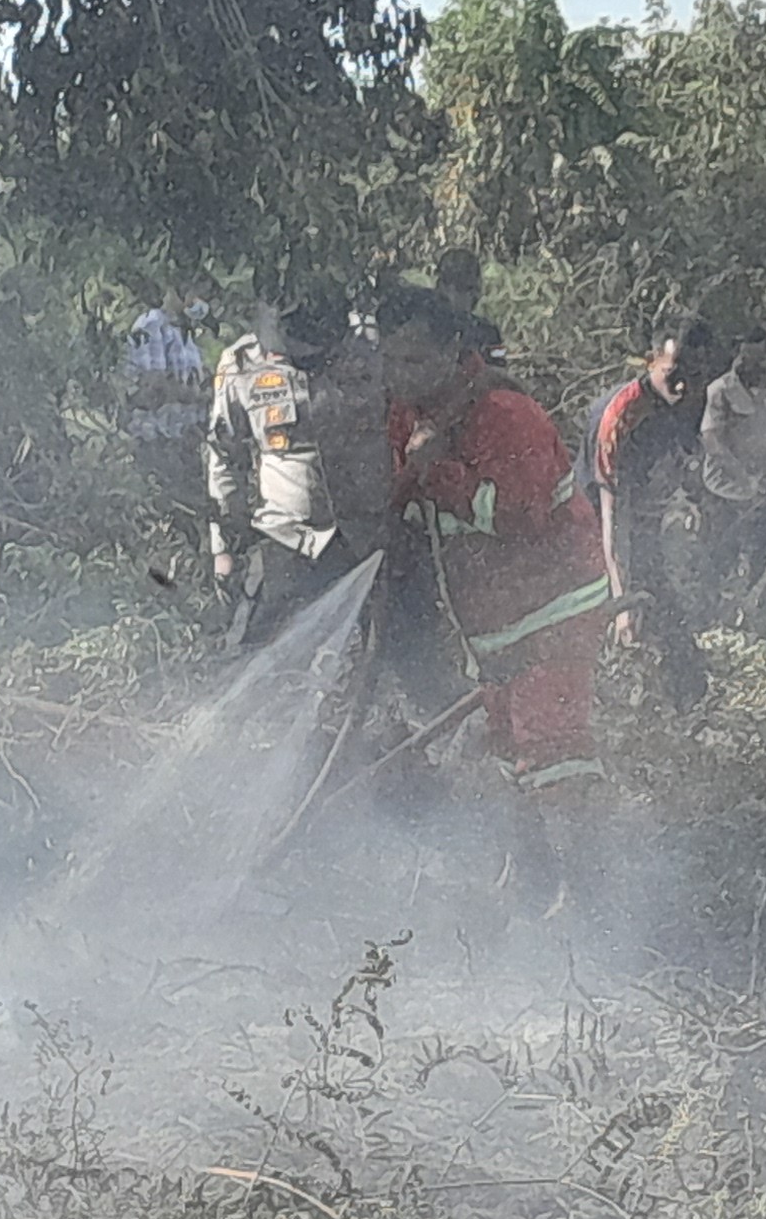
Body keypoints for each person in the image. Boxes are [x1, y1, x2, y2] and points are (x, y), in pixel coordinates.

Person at [386, 291, 611, 823]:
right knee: (513, 762)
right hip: (495, 627)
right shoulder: (407, 416)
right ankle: (532, 889)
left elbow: (516, 516)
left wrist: (436, 470)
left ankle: (592, 891)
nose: (401, 375)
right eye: (391, 362)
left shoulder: (505, 414)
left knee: (553, 759)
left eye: (415, 361)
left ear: (452, 351)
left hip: (554, 612)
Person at [204, 283, 388, 651]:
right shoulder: (241, 365)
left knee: (385, 653)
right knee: (255, 656)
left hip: (362, 540)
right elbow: (222, 454)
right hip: (283, 541)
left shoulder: (370, 355)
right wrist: (223, 550)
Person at [594, 318, 728, 709]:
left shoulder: (687, 403)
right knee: (630, 625)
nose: (685, 386)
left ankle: (684, 707)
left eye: (697, 376)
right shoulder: (622, 419)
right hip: (602, 531)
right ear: (651, 362)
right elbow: (612, 519)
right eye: (675, 374)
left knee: (669, 629)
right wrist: (623, 599)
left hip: (648, 528)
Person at [697, 324, 766, 607]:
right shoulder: (720, 391)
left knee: (764, 546)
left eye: (761, 359)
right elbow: (711, 439)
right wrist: (744, 476)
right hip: (725, 490)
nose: (755, 365)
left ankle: (753, 607)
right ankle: (710, 606)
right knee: (721, 548)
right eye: (748, 359)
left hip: (765, 491)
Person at [121, 286, 210, 519]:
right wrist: (198, 397)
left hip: (187, 439)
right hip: (158, 439)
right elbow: (154, 386)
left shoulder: (186, 333)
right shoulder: (151, 325)